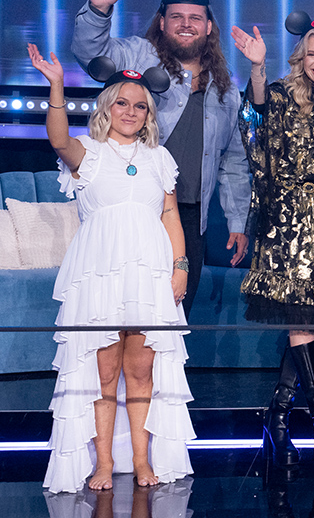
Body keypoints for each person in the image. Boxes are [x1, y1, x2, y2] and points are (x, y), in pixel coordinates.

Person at [29, 44, 194, 494]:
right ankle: (103, 463)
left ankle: (141, 460)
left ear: (148, 115)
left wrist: (180, 268)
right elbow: (58, 140)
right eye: (122, 102)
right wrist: (58, 86)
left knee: (142, 373)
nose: (131, 111)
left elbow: (171, 217)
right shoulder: (89, 152)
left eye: (140, 106)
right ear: (107, 106)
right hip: (99, 276)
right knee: (103, 374)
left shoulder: (160, 159)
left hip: (150, 275)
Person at [71, 0, 250, 318]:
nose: (186, 24)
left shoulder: (225, 90)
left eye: (195, 18)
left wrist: (236, 222)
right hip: (135, 206)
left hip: (188, 218)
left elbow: (233, 161)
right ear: (163, 22)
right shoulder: (138, 54)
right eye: (177, 17)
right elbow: (91, 54)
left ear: (209, 27)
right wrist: (98, 10)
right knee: (121, 312)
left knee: (172, 314)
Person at [232, 12, 314, 474]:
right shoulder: (284, 94)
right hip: (291, 221)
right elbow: (253, 122)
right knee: (300, 318)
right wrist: (258, 70)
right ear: (301, 59)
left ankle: (278, 416)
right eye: (312, 55)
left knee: (313, 320)